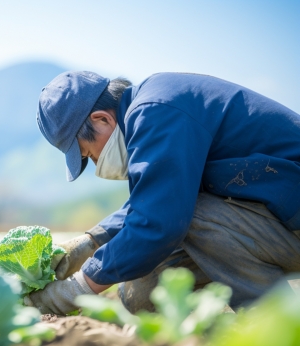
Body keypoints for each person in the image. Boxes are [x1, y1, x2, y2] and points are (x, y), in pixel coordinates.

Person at [25, 71, 300, 315]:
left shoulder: (156, 110)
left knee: (187, 216)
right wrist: (91, 242)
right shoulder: (154, 105)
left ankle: (276, 324)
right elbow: (160, 197)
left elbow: (159, 220)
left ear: (101, 119)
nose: (96, 164)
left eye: (88, 153)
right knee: (144, 291)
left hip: (291, 216)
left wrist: (75, 290)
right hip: (278, 219)